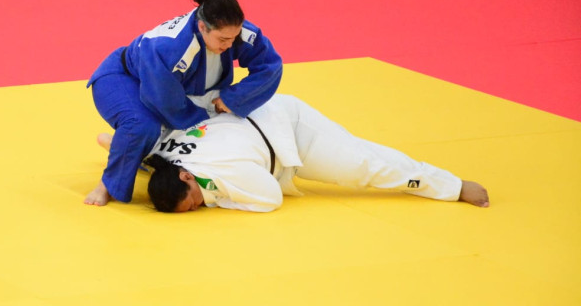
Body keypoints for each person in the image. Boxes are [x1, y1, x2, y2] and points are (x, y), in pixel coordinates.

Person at [85, 0, 283, 207]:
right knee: (143, 125)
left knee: (207, 127)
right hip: (122, 78)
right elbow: (165, 103)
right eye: (222, 40)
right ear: (202, 27)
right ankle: (108, 184)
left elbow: (270, 66)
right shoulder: (172, 48)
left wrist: (233, 98)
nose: (229, 45)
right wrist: (207, 121)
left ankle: (130, 150)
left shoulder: (234, 31)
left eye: (233, 38)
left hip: (175, 89)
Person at [134, 94, 489, 213]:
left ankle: (452, 186)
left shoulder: (223, 173)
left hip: (289, 128)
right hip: (260, 137)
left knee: (364, 165)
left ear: (185, 175)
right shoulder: (163, 158)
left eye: (194, 200)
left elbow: (270, 199)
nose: (199, 206)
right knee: (364, 161)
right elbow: (121, 144)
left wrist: (218, 200)